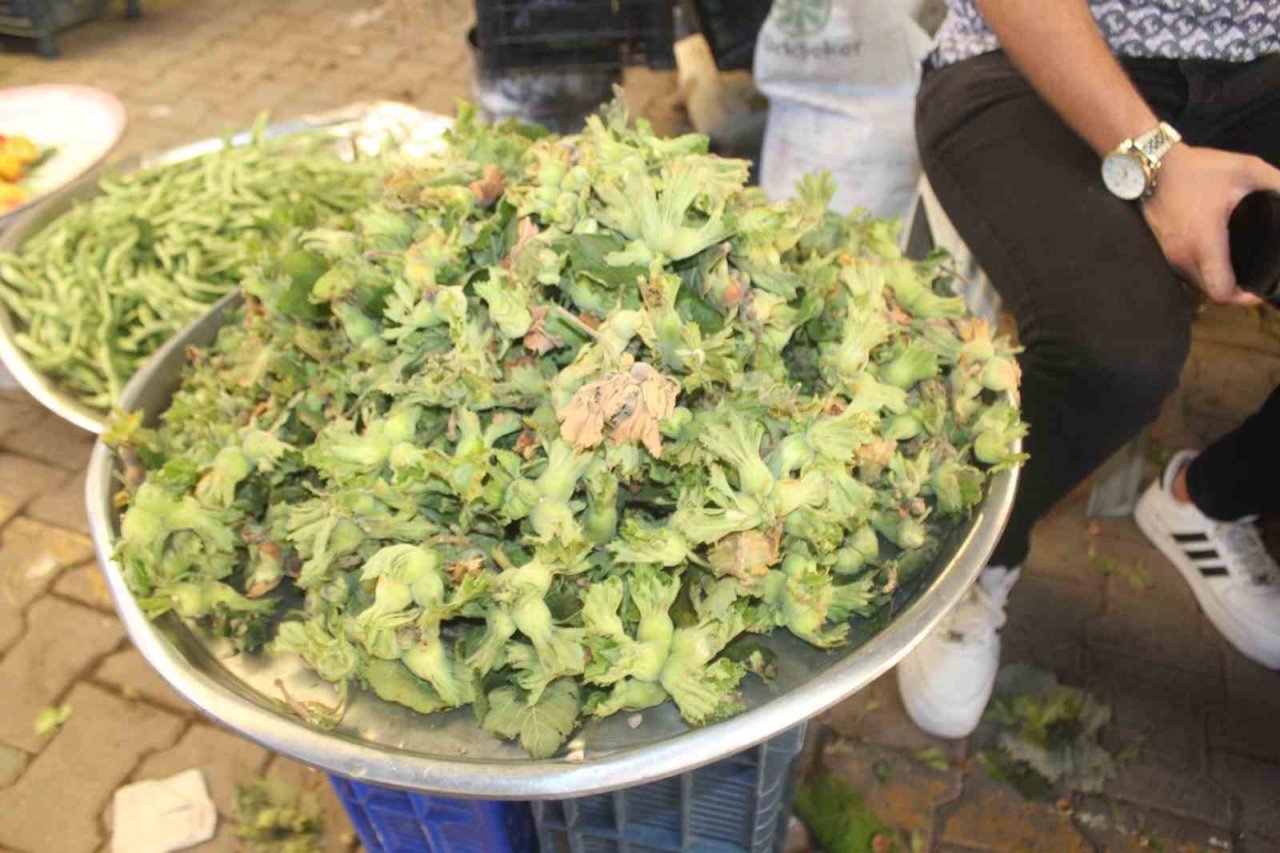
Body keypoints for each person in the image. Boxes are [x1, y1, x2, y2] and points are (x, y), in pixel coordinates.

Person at [895, 0, 1280, 739]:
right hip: (1038, 61)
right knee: (1119, 352)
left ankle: (1213, 496)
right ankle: (972, 556)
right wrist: (1159, 163)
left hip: (1258, 75)